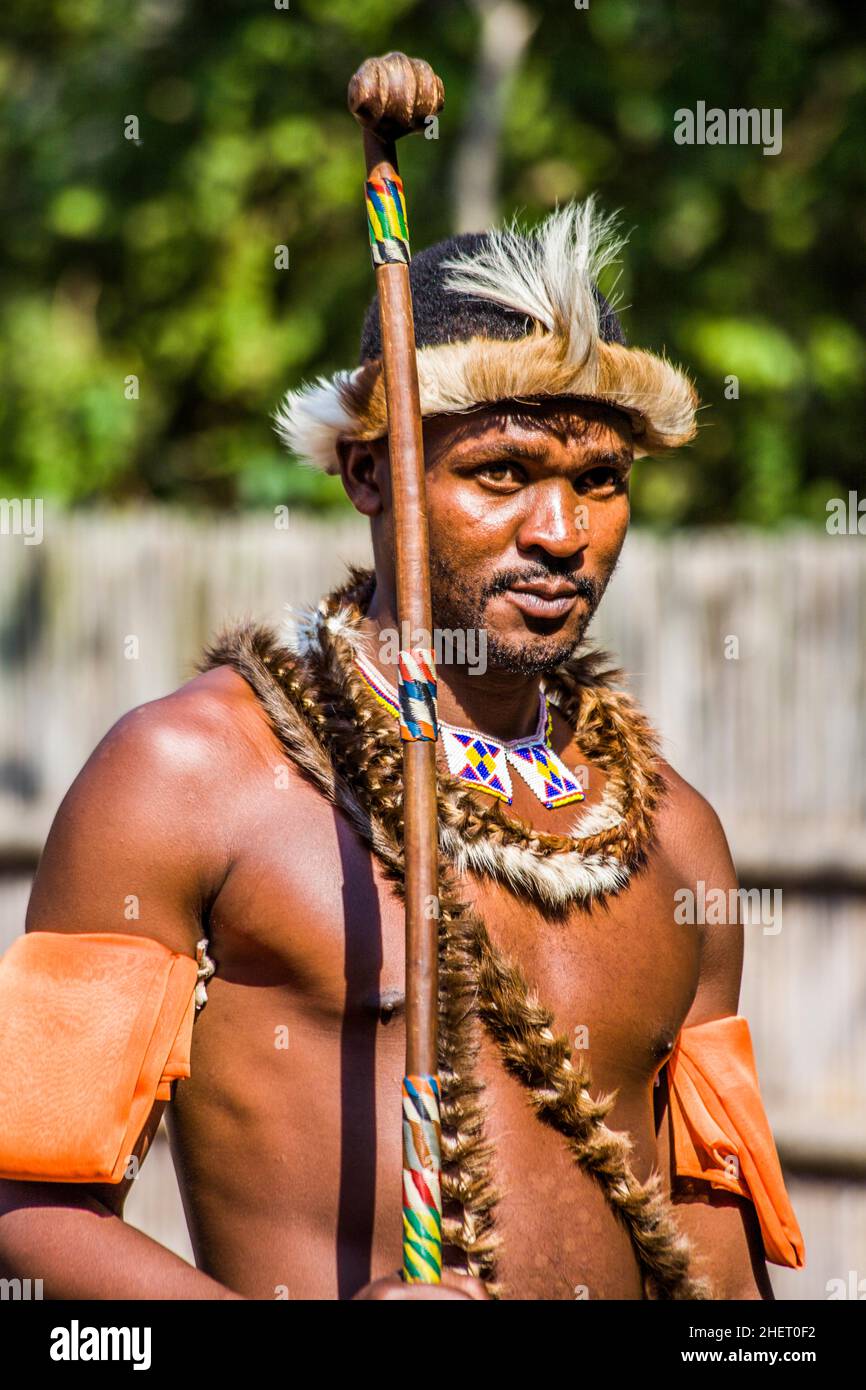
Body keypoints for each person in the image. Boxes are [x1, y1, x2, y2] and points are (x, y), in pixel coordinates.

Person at [0, 199, 804, 1300]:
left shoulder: (671, 835)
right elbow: (25, 1206)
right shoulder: (190, 775)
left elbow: (716, 1262)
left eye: (599, 479)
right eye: (502, 473)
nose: (560, 532)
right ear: (368, 475)